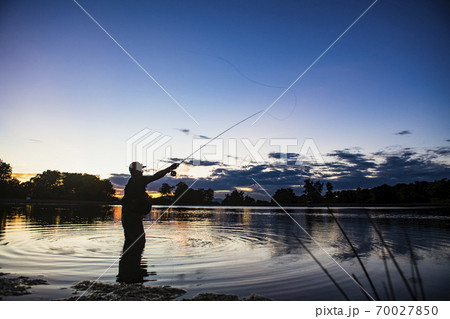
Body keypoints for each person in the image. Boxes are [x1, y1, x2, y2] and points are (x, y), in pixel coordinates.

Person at [117, 161, 179, 283]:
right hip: (132, 217)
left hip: (129, 217)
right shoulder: (137, 181)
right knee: (138, 241)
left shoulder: (133, 182)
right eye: (141, 170)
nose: (143, 171)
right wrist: (169, 168)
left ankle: (129, 271)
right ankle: (131, 271)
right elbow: (156, 176)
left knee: (131, 241)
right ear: (136, 171)